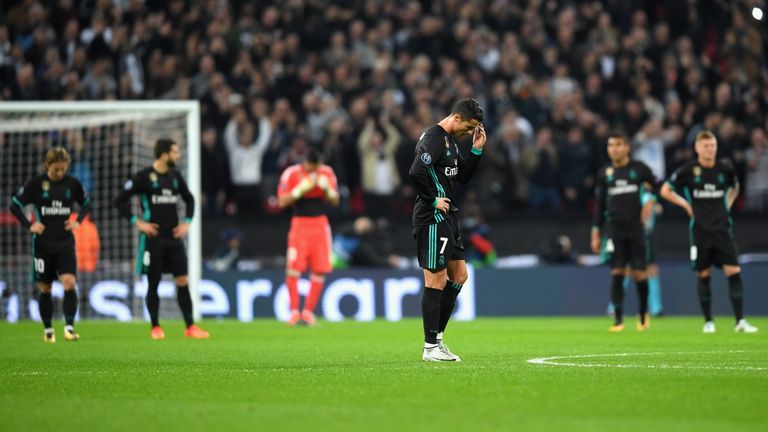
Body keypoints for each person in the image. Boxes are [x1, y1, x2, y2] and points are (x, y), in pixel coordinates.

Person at [409, 98, 487, 362]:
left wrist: (476, 152)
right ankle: (429, 347)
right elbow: (416, 171)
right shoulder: (434, 137)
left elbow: (460, 176)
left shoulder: (451, 140)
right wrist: (432, 199)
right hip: (432, 215)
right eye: (469, 127)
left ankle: (438, 340)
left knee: (459, 275)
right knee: (435, 279)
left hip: (448, 216)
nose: (468, 132)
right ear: (456, 118)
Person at [660, 130, 758, 334]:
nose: (709, 149)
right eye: (705, 146)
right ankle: (708, 321)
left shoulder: (725, 169)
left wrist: (727, 205)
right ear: (697, 148)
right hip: (700, 231)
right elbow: (665, 190)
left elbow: (735, 187)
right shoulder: (688, 170)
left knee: (733, 271)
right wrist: (686, 205)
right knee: (703, 274)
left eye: (712, 145)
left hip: (723, 229)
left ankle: (740, 321)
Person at [114, 139, 209, 340]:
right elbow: (120, 200)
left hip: (174, 238)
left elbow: (190, 199)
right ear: (164, 154)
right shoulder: (143, 177)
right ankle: (155, 327)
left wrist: (187, 222)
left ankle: (190, 327)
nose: (178, 156)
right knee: (153, 282)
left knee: (182, 280)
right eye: (175, 152)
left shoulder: (175, 177)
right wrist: (137, 222)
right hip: (153, 239)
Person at [9, 147, 91, 343]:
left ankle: (69, 328)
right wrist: (30, 225)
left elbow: (87, 204)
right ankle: (48, 330)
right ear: (48, 166)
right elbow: (14, 205)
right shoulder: (36, 184)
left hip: (65, 242)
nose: (60, 173)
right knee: (45, 287)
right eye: (56, 169)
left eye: (63, 169)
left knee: (69, 282)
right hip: (43, 244)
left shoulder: (73, 184)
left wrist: (78, 220)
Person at [591, 133, 656, 332]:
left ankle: (643, 314)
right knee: (617, 272)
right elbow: (600, 204)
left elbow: (657, 185)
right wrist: (596, 231)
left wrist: (650, 201)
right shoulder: (605, 173)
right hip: (614, 230)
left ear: (627, 147)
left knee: (640, 273)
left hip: (636, 230)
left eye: (618, 144)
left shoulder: (639, 169)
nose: (614, 149)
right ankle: (618, 320)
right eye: (611, 145)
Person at [277, 147, 340, 326]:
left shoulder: (326, 172)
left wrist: (327, 189)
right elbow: (281, 201)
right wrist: (299, 190)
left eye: (317, 166)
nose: (314, 170)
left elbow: (335, 201)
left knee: (319, 269)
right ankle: (294, 313)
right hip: (299, 225)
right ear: (305, 163)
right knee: (293, 269)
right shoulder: (291, 173)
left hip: (320, 225)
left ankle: (308, 313)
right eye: (311, 167)